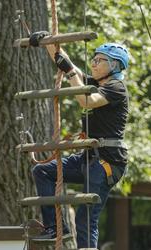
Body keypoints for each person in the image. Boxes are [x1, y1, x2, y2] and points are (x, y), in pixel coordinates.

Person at [29, 31, 130, 248]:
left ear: (114, 65)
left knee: (86, 217)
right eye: (93, 58)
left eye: (99, 60)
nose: (93, 63)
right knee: (42, 171)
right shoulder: (97, 82)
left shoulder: (116, 88)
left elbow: (87, 101)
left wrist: (70, 72)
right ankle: (56, 228)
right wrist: (48, 42)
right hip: (87, 158)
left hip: (106, 163)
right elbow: (67, 64)